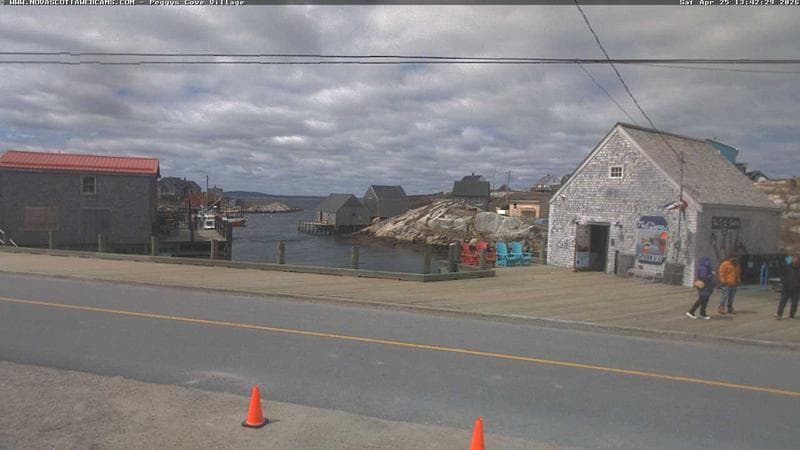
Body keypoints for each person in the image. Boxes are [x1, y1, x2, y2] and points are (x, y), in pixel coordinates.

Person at [776, 255, 800, 320]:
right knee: (782, 302)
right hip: (786, 288)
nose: (796, 260)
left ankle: (791, 316)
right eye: (794, 259)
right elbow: (781, 275)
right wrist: (783, 282)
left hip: (796, 289)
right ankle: (779, 315)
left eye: (797, 259)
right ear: (792, 259)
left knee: (794, 303)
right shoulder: (787, 267)